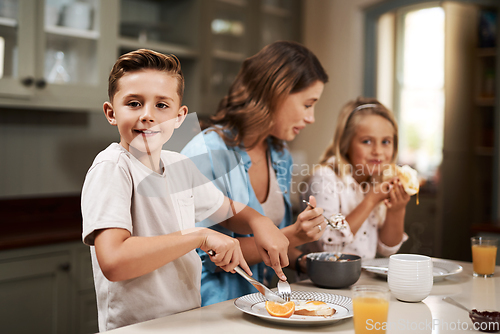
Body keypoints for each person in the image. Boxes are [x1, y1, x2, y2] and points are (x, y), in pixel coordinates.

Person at [81, 49, 289, 331]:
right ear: (111, 113)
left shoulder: (179, 165)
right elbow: (114, 261)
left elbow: (227, 211)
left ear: (179, 117)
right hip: (136, 328)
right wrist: (199, 235)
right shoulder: (112, 167)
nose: (147, 115)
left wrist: (258, 220)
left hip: (185, 320)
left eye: (161, 106)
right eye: (133, 103)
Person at [181, 40, 329, 306]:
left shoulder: (279, 154)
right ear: (277, 93)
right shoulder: (205, 152)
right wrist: (295, 233)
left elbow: (271, 243)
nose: (312, 118)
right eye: (308, 104)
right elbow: (204, 256)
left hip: (258, 304)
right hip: (209, 310)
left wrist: (303, 261)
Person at [299, 97, 409, 271]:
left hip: (360, 283)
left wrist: (396, 210)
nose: (378, 151)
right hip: (321, 288)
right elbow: (328, 247)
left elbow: (388, 248)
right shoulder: (324, 179)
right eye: (366, 141)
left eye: (386, 142)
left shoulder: (377, 180)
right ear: (346, 143)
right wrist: (370, 200)